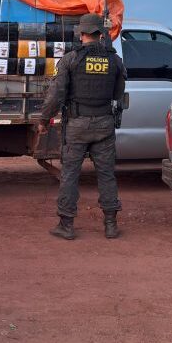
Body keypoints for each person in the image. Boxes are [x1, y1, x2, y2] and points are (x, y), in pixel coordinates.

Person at [38, 13, 126, 240]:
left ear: (82, 33)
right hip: (105, 124)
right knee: (106, 175)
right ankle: (110, 225)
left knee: (69, 174)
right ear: (100, 33)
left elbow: (56, 94)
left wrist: (43, 120)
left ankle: (66, 225)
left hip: (77, 125)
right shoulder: (115, 61)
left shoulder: (70, 59)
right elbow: (118, 94)